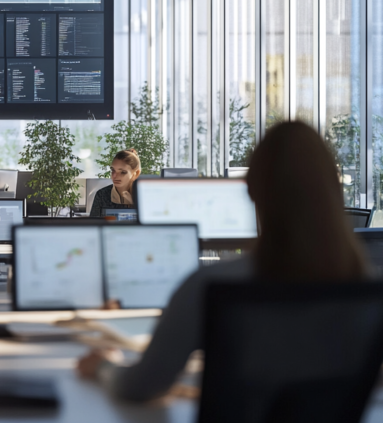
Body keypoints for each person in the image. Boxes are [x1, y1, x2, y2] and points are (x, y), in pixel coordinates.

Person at [76, 121, 367, 402]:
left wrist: (105, 364)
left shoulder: (210, 286)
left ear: (251, 190)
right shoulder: (363, 288)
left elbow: (140, 387)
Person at [88, 149, 141, 217]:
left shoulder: (144, 196)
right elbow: (93, 225)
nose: (114, 176)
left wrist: (134, 204)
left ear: (136, 173)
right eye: (113, 170)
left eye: (123, 172)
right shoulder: (102, 195)